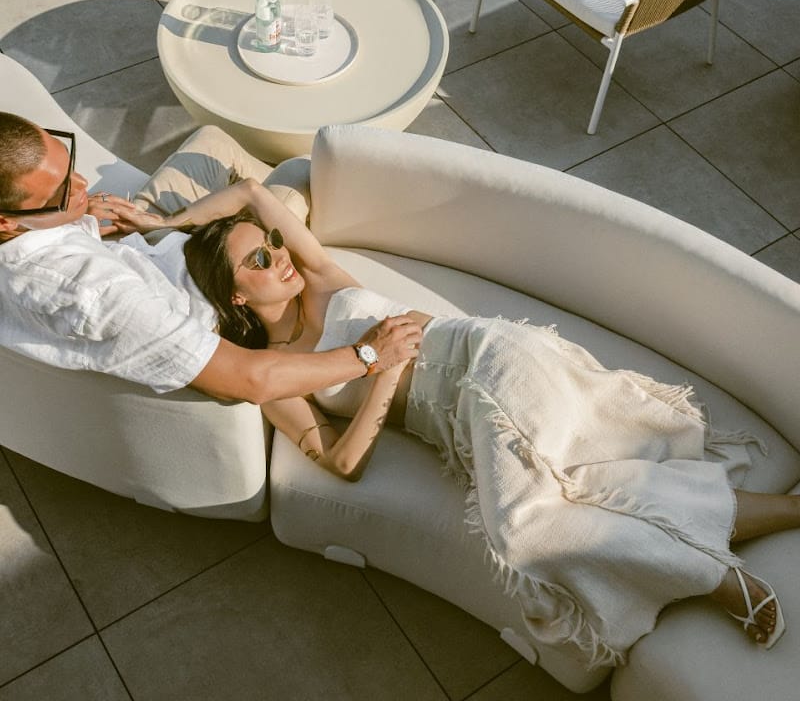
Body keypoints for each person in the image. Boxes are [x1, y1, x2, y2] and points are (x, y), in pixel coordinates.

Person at [154, 176, 797, 669]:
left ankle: (715, 580)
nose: (279, 257)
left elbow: (247, 190)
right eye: (259, 262)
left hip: (492, 357)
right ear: (236, 295)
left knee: (522, 528)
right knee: (586, 489)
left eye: (270, 244)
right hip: (467, 420)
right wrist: (378, 371)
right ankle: (767, 522)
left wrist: (170, 223)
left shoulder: (321, 278)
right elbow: (343, 464)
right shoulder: (274, 372)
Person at [0, 112, 422, 405]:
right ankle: (252, 215)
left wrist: (80, 216)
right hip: (212, 276)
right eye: (61, 192)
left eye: (68, 161)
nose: (84, 182)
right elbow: (248, 380)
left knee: (212, 140)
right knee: (293, 177)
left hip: (152, 249)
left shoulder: (31, 232)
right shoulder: (100, 295)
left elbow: (63, 235)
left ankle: (225, 213)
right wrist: (367, 356)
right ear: (6, 222)